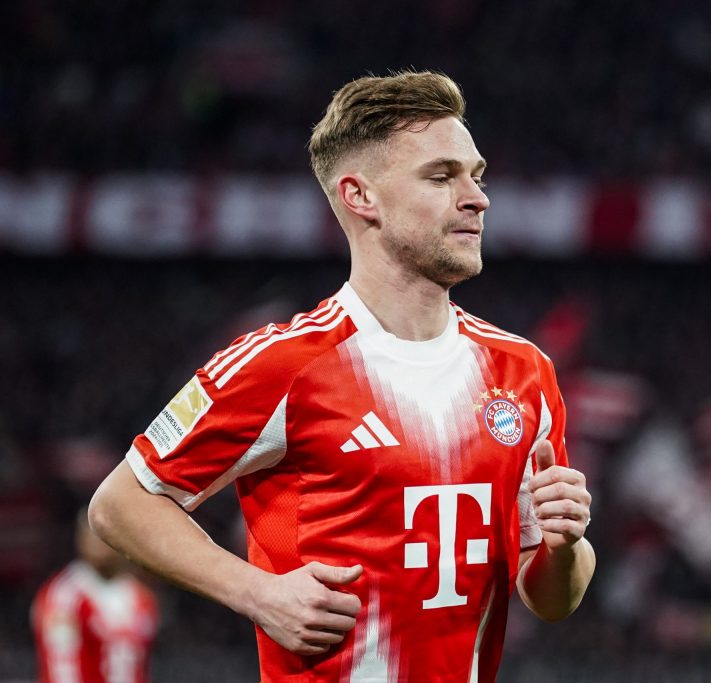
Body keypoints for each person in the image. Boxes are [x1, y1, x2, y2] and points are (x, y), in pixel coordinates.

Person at [88, 70, 595, 682]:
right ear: (360, 196)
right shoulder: (284, 362)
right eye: (442, 177)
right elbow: (120, 504)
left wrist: (565, 546)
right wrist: (257, 593)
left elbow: (551, 599)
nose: (477, 198)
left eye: (476, 176)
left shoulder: (524, 370)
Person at [31, 509, 159, 683]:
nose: (100, 540)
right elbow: (61, 668)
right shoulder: (64, 596)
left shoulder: (142, 598)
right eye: (94, 531)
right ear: (81, 539)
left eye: (107, 530)